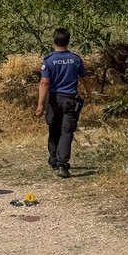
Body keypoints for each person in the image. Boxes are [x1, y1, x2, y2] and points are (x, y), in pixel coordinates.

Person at [36, 27, 88, 178]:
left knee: (54, 128)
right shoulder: (75, 59)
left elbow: (44, 83)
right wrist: (89, 93)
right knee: (66, 132)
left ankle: (54, 159)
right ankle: (62, 165)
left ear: (54, 40)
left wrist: (40, 104)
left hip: (54, 99)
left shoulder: (49, 60)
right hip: (70, 99)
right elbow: (85, 79)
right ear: (68, 40)